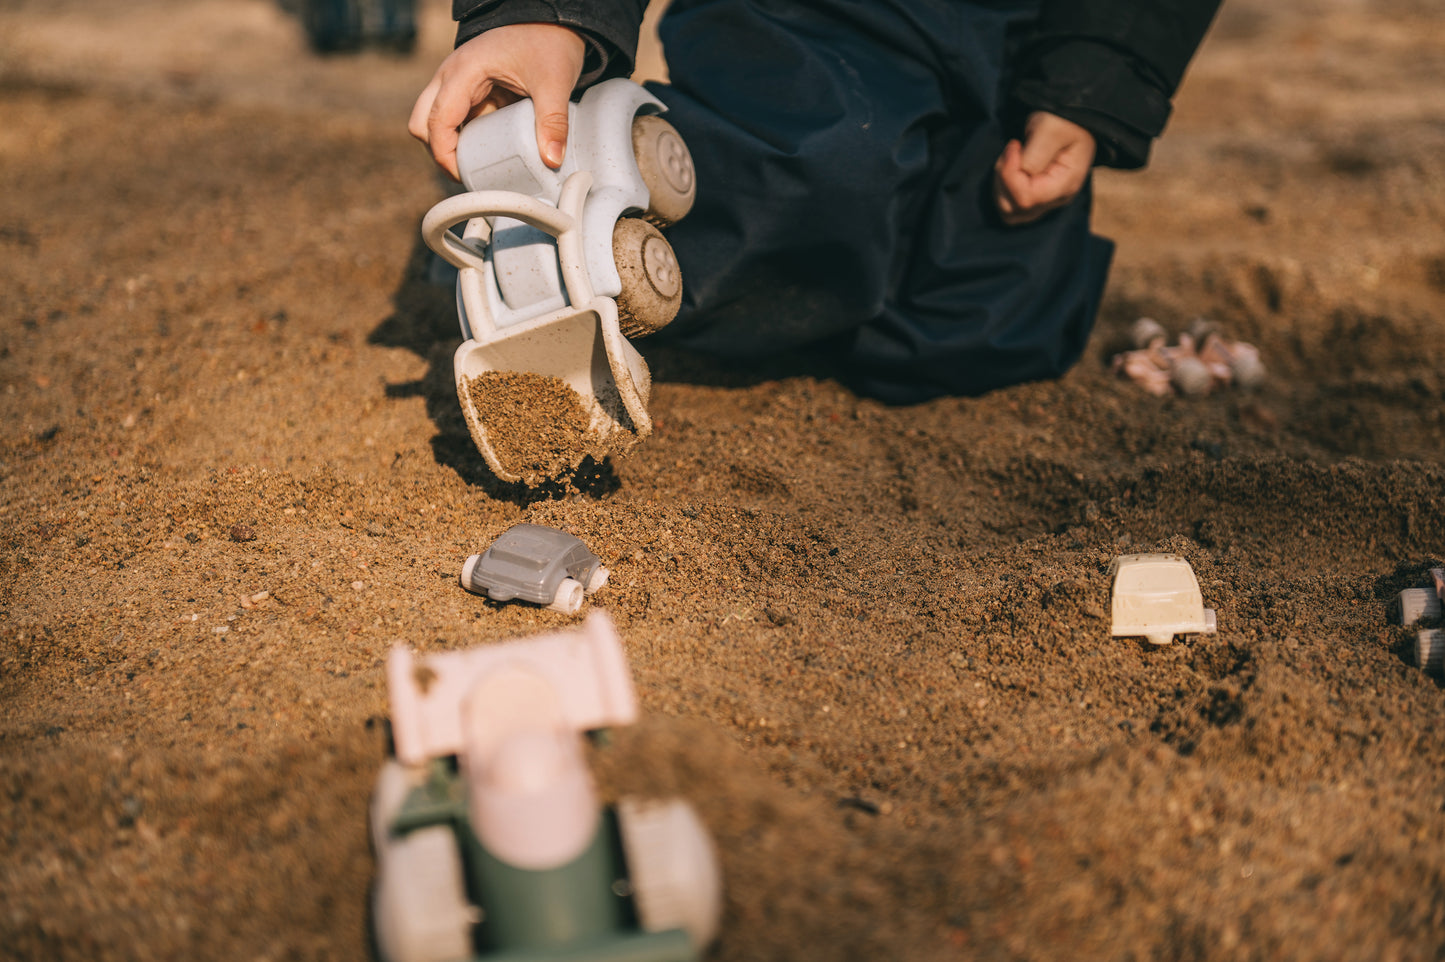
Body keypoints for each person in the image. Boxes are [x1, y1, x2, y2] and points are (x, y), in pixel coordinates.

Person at [410, 0, 1221, 403]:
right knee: (825, 169)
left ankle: (816, 273)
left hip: (1012, 41)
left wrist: (1091, 83)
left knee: (1000, 327)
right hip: (811, 17)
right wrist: (546, 12)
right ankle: (576, 224)